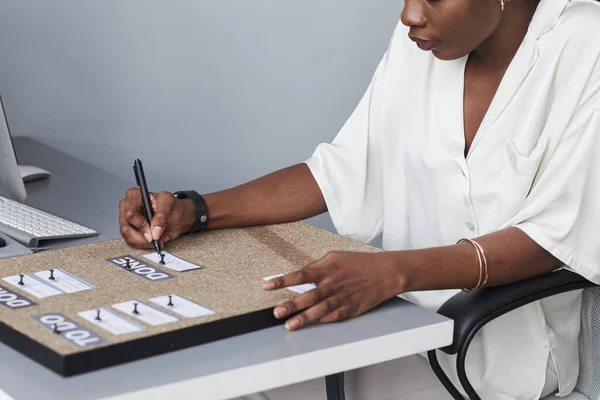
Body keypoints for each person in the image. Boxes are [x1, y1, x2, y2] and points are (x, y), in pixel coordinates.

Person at [118, 0, 600, 398]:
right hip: (395, 325)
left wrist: (394, 271)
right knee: (205, 375)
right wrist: (194, 211)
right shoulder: (426, 43)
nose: (410, 14)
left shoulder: (586, 45)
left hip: (499, 363)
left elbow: (552, 236)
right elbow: (341, 170)